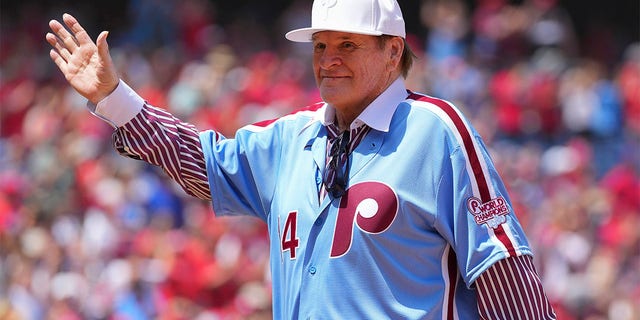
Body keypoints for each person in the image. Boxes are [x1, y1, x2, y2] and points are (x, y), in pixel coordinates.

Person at [46, 0, 557, 318]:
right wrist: (114, 99)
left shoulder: (436, 130)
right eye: (321, 45)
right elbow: (204, 162)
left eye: (348, 45)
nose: (328, 59)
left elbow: (500, 264)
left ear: (393, 51)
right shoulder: (293, 137)